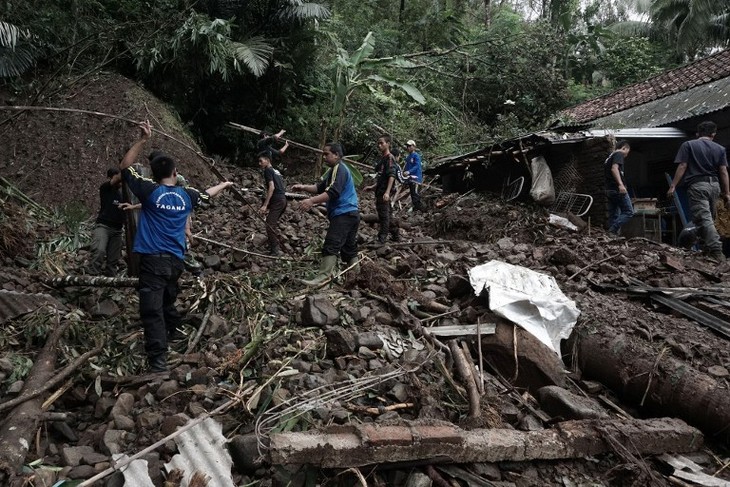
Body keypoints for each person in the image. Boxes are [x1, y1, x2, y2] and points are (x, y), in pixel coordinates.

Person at [120, 120, 234, 373]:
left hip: (152, 260)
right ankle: (173, 331)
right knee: (167, 299)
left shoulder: (149, 191)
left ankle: (159, 361)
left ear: (154, 174)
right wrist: (225, 185)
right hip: (175, 261)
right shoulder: (186, 195)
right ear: (175, 173)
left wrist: (142, 139)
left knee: (151, 310)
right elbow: (207, 193)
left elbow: (125, 167)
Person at [291, 142, 360, 286]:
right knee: (349, 248)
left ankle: (323, 277)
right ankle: (357, 278)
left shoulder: (340, 169)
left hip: (344, 213)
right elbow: (319, 187)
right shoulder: (333, 171)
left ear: (336, 155)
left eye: (327, 154)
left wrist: (311, 201)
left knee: (331, 244)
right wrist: (302, 187)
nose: (324, 157)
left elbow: (333, 192)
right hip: (352, 214)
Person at [667, 121, 730, 261]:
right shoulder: (720, 148)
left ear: (698, 134)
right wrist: (727, 193)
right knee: (707, 220)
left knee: (705, 220)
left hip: (698, 186)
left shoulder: (688, 145)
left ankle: (716, 251)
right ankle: (707, 251)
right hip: (715, 186)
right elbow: (723, 171)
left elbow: (683, 166)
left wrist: (673, 186)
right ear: (713, 134)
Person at [87, 168, 125, 276]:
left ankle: (111, 281)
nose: (120, 183)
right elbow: (116, 180)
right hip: (103, 226)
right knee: (99, 251)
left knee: (113, 258)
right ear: (110, 178)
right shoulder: (105, 188)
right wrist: (127, 169)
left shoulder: (122, 194)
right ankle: (92, 276)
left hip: (117, 230)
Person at [364, 135, 399, 243]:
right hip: (380, 190)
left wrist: (387, 192)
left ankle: (382, 238)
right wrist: (373, 187)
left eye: (382, 143)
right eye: (378, 143)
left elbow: (391, 175)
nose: (379, 145)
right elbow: (381, 177)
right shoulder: (383, 159)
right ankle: (396, 234)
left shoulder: (390, 158)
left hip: (384, 191)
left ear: (388, 144)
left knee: (383, 216)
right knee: (387, 214)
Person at [258, 151, 287, 256]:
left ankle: (275, 250)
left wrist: (265, 205)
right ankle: (274, 246)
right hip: (283, 199)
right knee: (272, 224)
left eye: (261, 161)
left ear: (267, 160)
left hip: (278, 200)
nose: (259, 163)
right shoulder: (276, 171)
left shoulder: (268, 171)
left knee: (269, 225)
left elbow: (272, 187)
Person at [604, 140, 634, 235]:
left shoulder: (609, 157)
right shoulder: (618, 154)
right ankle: (612, 231)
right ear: (624, 148)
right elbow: (614, 168)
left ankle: (612, 236)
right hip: (617, 189)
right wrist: (620, 184)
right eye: (627, 153)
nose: (626, 156)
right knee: (629, 212)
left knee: (614, 214)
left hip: (609, 189)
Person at [403, 139, 423, 211]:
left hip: (416, 179)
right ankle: (416, 209)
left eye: (409, 146)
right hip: (410, 179)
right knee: (413, 195)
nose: (408, 147)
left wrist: (409, 171)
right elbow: (406, 167)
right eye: (407, 146)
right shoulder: (408, 157)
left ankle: (419, 210)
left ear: (414, 147)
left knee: (415, 195)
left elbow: (417, 166)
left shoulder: (416, 156)